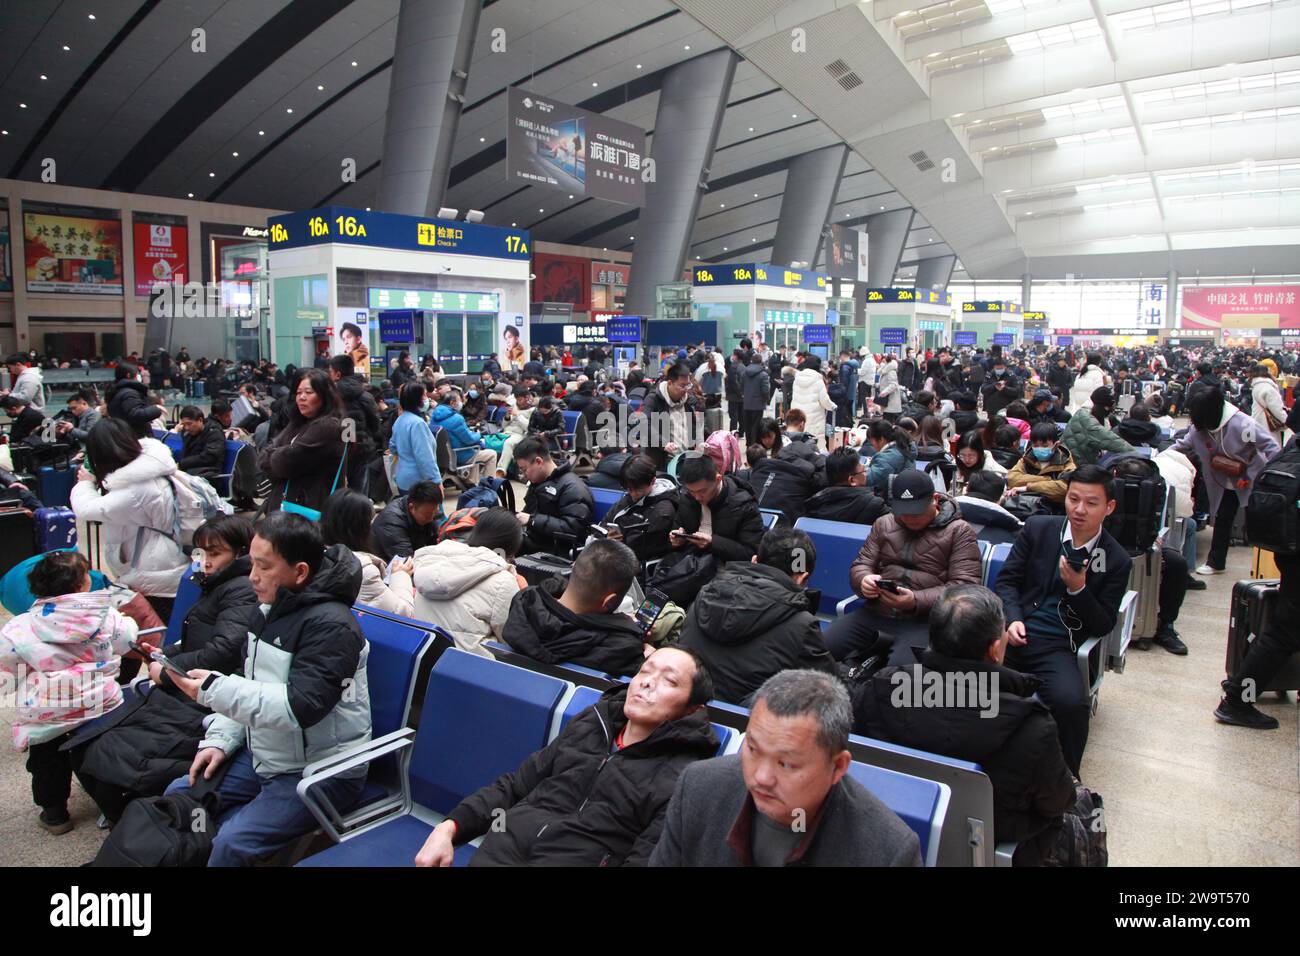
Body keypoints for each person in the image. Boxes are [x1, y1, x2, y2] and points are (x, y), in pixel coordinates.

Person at [160, 513, 370, 867]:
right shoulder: (270, 608)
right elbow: (250, 681)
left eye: (263, 567)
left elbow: (298, 706)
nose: (252, 576)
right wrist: (221, 740)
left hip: (320, 770)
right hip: (269, 752)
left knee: (230, 844)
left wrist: (211, 691)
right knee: (179, 796)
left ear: (300, 571)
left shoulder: (333, 627)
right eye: (251, 564)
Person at [415, 646, 718, 866]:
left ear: (693, 709)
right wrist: (450, 827)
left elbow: (647, 859)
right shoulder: (593, 724)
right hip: (502, 848)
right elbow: (515, 787)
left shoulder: (683, 778)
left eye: (670, 680)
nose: (647, 682)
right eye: (645, 670)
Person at [851, 585, 1075, 865]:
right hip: (986, 847)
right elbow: (1058, 802)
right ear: (995, 649)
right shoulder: (1032, 727)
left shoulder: (881, 688)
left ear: (933, 637)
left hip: (888, 825)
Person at [650, 669, 922, 867]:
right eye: (753, 750)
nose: (761, 777)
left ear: (838, 766)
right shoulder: (699, 787)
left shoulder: (887, 851)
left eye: (786, 763)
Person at [994, 465, 1133, 776]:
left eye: (1091, 503)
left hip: (1059, 646)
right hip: (1012, 633)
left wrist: (1078, 589)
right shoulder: (1039, 529)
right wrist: (1012, 619)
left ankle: (1067, 783)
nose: (1079, 510)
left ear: (1109, 507)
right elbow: (1008, 582)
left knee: (1072, 706)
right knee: (959, 682)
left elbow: (1102, 624)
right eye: (1073, 499)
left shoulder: (1116, 559)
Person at [0, 551, 146, 835]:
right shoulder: (105, 615)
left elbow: (8, 665)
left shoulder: (19, 627)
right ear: (82, 586)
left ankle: (54, 814)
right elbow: (127, 640)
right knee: (100, 756)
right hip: (100, 703)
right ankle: (112, 806)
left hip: (47, 712)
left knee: (46, 762)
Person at [826, 469, 982, 666]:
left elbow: (964, 587)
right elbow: (862, 564)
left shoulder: (958, 531)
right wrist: (864, 580)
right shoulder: (884, 524)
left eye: (916, 512)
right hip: (876, 612)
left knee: (899, 676)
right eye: (903, 512)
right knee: (820, 650)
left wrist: (915, 601)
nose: (909, 518)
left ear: (934, 500)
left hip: (925, 621)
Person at [679, 528, 837, 705]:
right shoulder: (802, 625)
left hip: (683, 706)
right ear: (802, 579)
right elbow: (830, 687)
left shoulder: (705, 593)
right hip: (744, 722)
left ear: (754, 561)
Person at [1215, 403, 1300, 728]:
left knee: (1287, 627)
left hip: (1286, 549)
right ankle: (1237, 699)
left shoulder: (1290, 449)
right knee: (1285, 631)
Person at [70, 418, 190, 620]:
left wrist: (85, 483)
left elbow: (87, 509)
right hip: (165, 562)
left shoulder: (137, 488)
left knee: (157, 634)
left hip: (157, 573)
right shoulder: (147, 468)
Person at [1173, 386, 1280, 576]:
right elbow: (1184, 444)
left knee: (1258, 519)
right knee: (1223, 520)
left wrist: (1261, 475)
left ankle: (1268, 564)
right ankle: (1216, 562)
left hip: (1250, 478)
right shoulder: (1200, 429)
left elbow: (1270, 447)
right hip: (1225, 482)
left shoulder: (1243, 424)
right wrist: (1163, 456)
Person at [503, 538, 647, 676]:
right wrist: (649, 657)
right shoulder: (623, 648)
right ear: (609, 601)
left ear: (573, 567)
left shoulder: (525, 605)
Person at [411, 507, 525, 658]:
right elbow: (511, 639)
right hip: (475, 669)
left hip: (426, 659)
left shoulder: (435, 560)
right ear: (508, 550)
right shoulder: (503, 581)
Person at [256, 369, 346, 516]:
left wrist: (274, 457)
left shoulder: (327, 426)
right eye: (298, 393)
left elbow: (286, 463)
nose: (301, 397)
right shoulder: (298, 423)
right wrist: (275, 457)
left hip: (308, 509)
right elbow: (264, 456)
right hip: (286, 507)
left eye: (309, 392)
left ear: (324, 396)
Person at [322, 489, 414, 617]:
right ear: (360, 528)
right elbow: (403, 614)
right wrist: (400, 576)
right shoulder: (362, 570)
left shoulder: (314, 555)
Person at [670, 451, 765, 564]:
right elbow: (676, 534)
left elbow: (751, 554)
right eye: (692, 491)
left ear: (718, 479)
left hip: (727, 571)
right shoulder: (687, 498)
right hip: (689, 565)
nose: (697, 497)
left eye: (702, 491)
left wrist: (713, 543)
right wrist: (677, 540)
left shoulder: (743, 505)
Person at [513, 436, 595, 556]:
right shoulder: (538, 482)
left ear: (538, 462)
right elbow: (528, 513)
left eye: (524, 470)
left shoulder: (573, 488)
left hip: (553, 551)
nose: (523, 475)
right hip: (533, 541)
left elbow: (574, 529)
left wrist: (532, 520)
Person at [602, 453, 679, 563]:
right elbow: (607, 520)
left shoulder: (663, 511)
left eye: (638, 490)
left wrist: (612, 543)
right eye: (628, 489)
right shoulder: (632, 495)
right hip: (615, 553)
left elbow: (640, 546)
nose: (633, 494)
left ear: (653, 481)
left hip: (634, 563)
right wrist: (606, 536)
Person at [327, 354, 381, 493]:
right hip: (361, 448)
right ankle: (359, 513)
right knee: (360, 488)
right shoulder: (365, 395)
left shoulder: (329, 396)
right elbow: (375, 423)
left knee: (337, 488)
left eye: (330, 372)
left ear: (337, 374)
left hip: (336, 449)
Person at [804, 446, 888, 525]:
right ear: (852, 480)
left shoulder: (814, 504)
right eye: (864, 471)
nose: (866, 474)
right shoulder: (875, 505)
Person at [429, 389, 498, 486]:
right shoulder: (456, 419)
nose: (462, 403)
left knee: (477, 452)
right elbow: (470, 440)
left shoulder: (434, 416)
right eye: (460, 400)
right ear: (452, 403)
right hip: (459, 455)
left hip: (440, 457)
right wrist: (478, 434)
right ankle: (488, 487)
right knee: (491, 454)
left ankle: (472, 482)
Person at [370, 480, 444, 563]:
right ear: (411, 507)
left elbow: (436, 545)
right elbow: (406, 561)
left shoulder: (427, 510)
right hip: (386, 567)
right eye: (427, 515)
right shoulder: (392, 523)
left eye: (435, 512)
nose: (431, 519)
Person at [642, 362, 697, 470]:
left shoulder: (688, 401)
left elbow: (695, 425)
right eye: (682, 385)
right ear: (670, 383)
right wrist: (663, 443)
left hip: (685, 459)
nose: (686, 389)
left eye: (688, 385)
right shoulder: (654, 399)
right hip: (662, 461)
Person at [1007, 421, 1076, 506]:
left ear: (1056, 444)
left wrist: (1027, 488)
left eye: (1044, 446)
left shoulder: (1066, 462)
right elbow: (1012, 479)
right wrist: (1048, 480)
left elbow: (1065, 488)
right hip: (1025, 504)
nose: (1039, 448)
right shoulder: (1026, 459)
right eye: (1035, 445)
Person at [1060, 386, 1132, 467]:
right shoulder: (1089, 423)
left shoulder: (1081, 412)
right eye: (1110, 408)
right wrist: (1137, 455)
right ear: (1105, 407)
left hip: (1069, 460)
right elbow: (1115, 443)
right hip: (1073, 467)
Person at [790, 355, 838, 453]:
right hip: (814, 419)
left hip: (798, 417)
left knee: (799, 443)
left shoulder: (797, 379)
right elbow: (824, 401)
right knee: (816, 446)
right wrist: (832, 406)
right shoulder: (818, 380)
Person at [105, 362, 163, 438]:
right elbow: (135, 414)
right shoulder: (129, 393)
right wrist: (156, 409)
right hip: (135, 436)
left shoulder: (115, 391)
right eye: (136, 374)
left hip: (122, 434)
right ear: (128, 375)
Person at [864, 419, 916, 495]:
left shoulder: (888, 458)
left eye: (872, 441)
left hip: (890, 499)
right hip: (903, 493)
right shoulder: (902, 446)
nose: (872, 445)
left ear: (881, 439)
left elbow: (868, 480)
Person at [175, 405, 226, 481]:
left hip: (208, 475)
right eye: (184, 424)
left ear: (200, 420)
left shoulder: (214, 432)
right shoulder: (188, 433)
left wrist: (182, 464)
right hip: (190, 471)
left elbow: (208, 457)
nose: (186, 428)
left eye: (189, 424)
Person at [1250, 363, 1288, 450]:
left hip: (1258, 418)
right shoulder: (1268, 388)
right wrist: (1286, 421)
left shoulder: (1256, 385)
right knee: (1271, 448)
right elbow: (1277, 408)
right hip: (1267, 422)